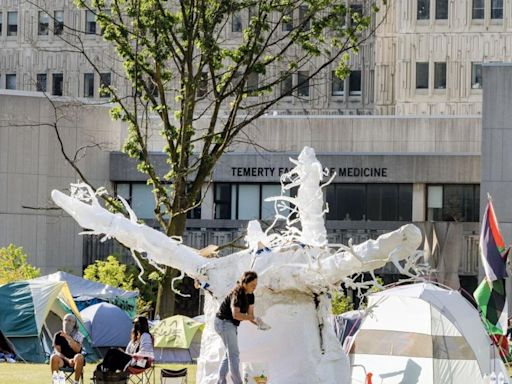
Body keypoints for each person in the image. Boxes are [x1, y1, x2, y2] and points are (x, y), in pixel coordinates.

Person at [214, 271, 270, 384]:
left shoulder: (251, 296)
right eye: (252, 285)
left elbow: (250, 315)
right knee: (234, 355)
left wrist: (259, 323)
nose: (254, 287)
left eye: (256, 285)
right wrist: (253, 318)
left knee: (229, 354)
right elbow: (236, 315)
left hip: (231, 324)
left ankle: (220, 382)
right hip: (223, 322)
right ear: (244, 283)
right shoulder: (237, 294)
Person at [50, 313, 85, 384]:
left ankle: (76, 382)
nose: (66, 322)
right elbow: (57, 352)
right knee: (54, 357)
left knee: (79, 357)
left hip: (75, 361)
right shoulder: (58, 335)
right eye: (65, 320)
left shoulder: (78, 335)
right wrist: (67, 360)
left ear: (74, 323)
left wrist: (68, 338)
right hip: (62, 360)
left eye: (69, 320)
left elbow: (77, 350)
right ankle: (56, 382)